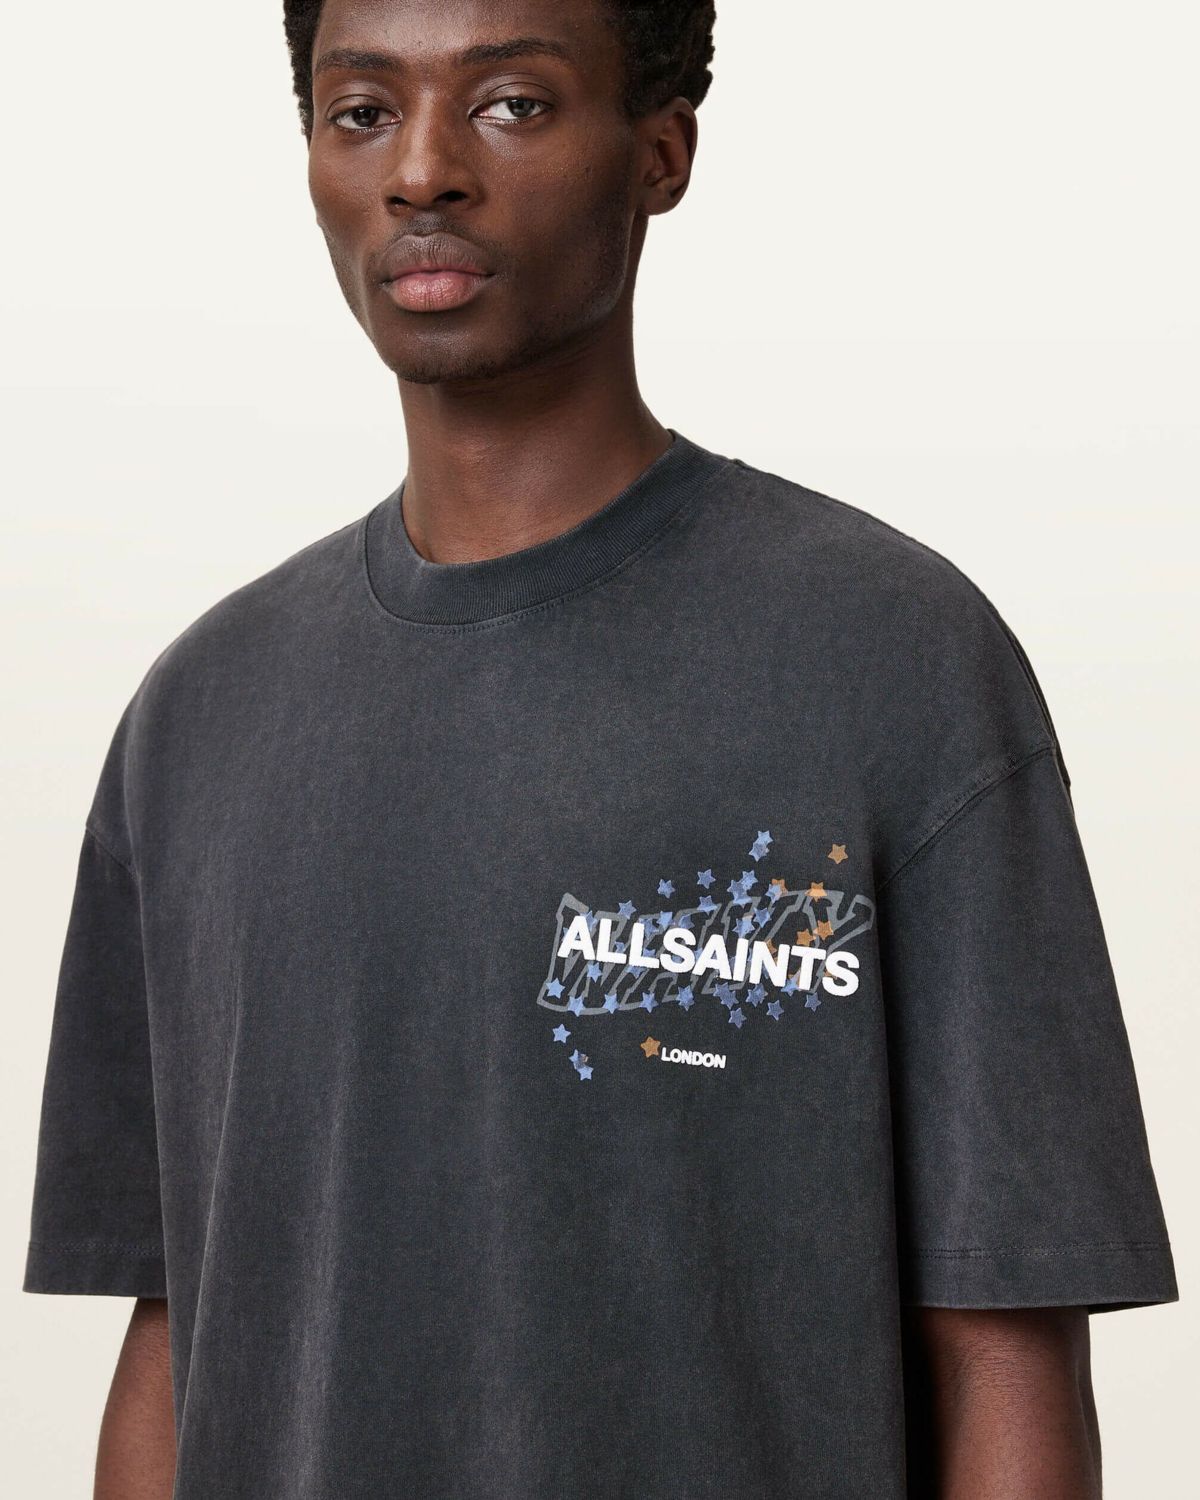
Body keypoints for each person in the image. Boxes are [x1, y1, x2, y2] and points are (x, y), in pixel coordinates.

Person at [22, 2, 1178, 1496]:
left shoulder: (893, 664)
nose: (421, 170)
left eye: (510, 103)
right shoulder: (197, 717)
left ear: (659, 154)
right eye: (360, 112)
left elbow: (1004, 1354)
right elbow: (177, 1333)